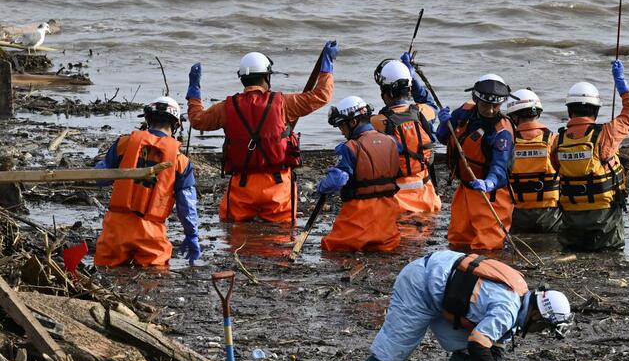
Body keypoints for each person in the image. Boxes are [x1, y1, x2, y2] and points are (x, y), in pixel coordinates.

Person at [347, 250, 572, 361]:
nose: (540, 332)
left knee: (467, 350)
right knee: (391, 353)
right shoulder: (508, 309)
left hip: (442, 285)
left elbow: (493, 346)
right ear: (536, 315)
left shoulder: (520, 293)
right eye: (543, 326)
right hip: (419, 284)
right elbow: (478, 345)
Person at [185, 43, 338, 223]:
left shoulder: (227, 108)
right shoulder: (283, 103)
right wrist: (326, 68)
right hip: (277, 187)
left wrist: (194, 92)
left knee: (236, 237)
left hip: (241, 187)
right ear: (267, 76)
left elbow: (197, 120)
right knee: (280, 241)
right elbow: (321, 95)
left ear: (242, 79)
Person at [94, 97, 200, 267]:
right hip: (151, 232)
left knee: (107, 274)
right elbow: (186, 205)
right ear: (175, 125)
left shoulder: (124, 144)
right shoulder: (181, 161)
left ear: (148, 119)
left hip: (116, 228)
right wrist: (191, 235)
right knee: (154, 281)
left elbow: (100, 178)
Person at [552, 60, 629, 250]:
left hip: (572, 227)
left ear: (569, 110)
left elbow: (555, 167)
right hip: (605, 228)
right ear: (596, 110)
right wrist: (621, 84)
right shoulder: (606, 135)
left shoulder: (558, 140)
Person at [437, 74, 515, 250]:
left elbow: (500, 166)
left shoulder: (502, 132)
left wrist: (490, 182)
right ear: (476, 100)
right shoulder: (464, 113)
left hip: (491, 195)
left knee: (487, 245)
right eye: (485, 105)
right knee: (458, 239)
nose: (490, 111)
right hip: (465, 189)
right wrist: (443, 123)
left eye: (495, 106)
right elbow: (443, 137)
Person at [318, 96, 402, 252]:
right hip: (387, 222)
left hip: (358, 220)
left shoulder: (350, 147)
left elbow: (337, 181)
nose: (342, 132)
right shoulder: (391, 141)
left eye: (342, 126)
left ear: (353, 122)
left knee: (331, 248)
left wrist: (321, 187)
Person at [369, 53, 442, 213]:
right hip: (428, 200)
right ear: (409, 90)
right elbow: (429, 102)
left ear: (385, 93)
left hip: (396, 203)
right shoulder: (424, 112)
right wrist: (412, 76)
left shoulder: (377, 123)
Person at [505, 88, 561, 233]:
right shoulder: (554, 140)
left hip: (516, 216)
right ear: (538, 112)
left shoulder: (507, 142)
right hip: (551, 217)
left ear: (513, 117)